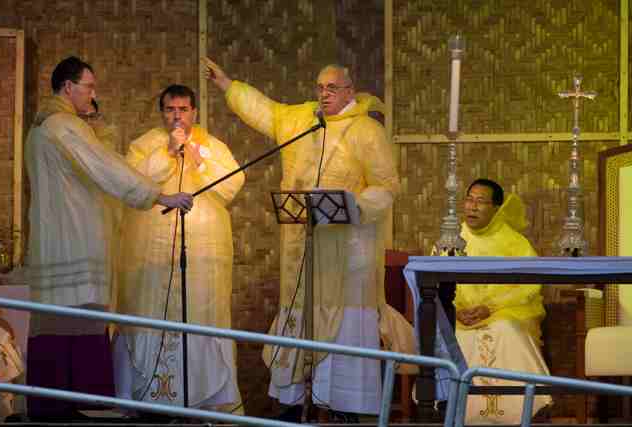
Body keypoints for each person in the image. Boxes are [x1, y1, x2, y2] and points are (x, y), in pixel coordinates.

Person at [205, 58, 415, 420]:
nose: (324, 94)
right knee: (298, 319)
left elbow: (387, 186)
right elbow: (265, 111)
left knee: (344, 332)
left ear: (350, 91)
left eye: (332, 88)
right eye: (320, 88)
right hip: (301, 251)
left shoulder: (366, 130)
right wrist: (227, 84)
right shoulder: (302, 121)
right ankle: (292, 407)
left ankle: (344, 410)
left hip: (347, 255)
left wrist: (355, 207)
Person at [23, 56, 193, 421]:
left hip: (54, 243)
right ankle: (77, 404)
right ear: (68, 87)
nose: (93, 94)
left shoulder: (41, 127)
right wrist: (159, 195)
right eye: (89, 87)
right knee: (79, 317)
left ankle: (55, 405)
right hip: (74, 241)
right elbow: (106, 168)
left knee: (58, 322)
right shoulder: (63, 126)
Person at [112, 84, 244, 413]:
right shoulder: (145, 145)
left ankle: (206, 402)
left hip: (202, 257)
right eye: (171, 109)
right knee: (150, 318)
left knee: (200, 318)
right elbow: (132, 183)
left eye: (183, 110)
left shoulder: (212, 145)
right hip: (150, 257)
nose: (177, 116)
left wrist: (198, 159)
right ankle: (144, 400)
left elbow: (231, 185)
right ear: (162, 112)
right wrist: (168, 152)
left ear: (194, 113)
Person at [445, 179, 551, 424]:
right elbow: (438, 279)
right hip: (462, 315)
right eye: (469, 199)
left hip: (504, 312)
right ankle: (456, 411)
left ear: (496, 208)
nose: (472, 207)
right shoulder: (452, 240)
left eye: (481, 201)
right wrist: (457, 310)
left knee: (504, 330)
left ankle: (515, 414)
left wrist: (490, 307)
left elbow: (530, 283)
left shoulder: (514, 241)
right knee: (457, 336)